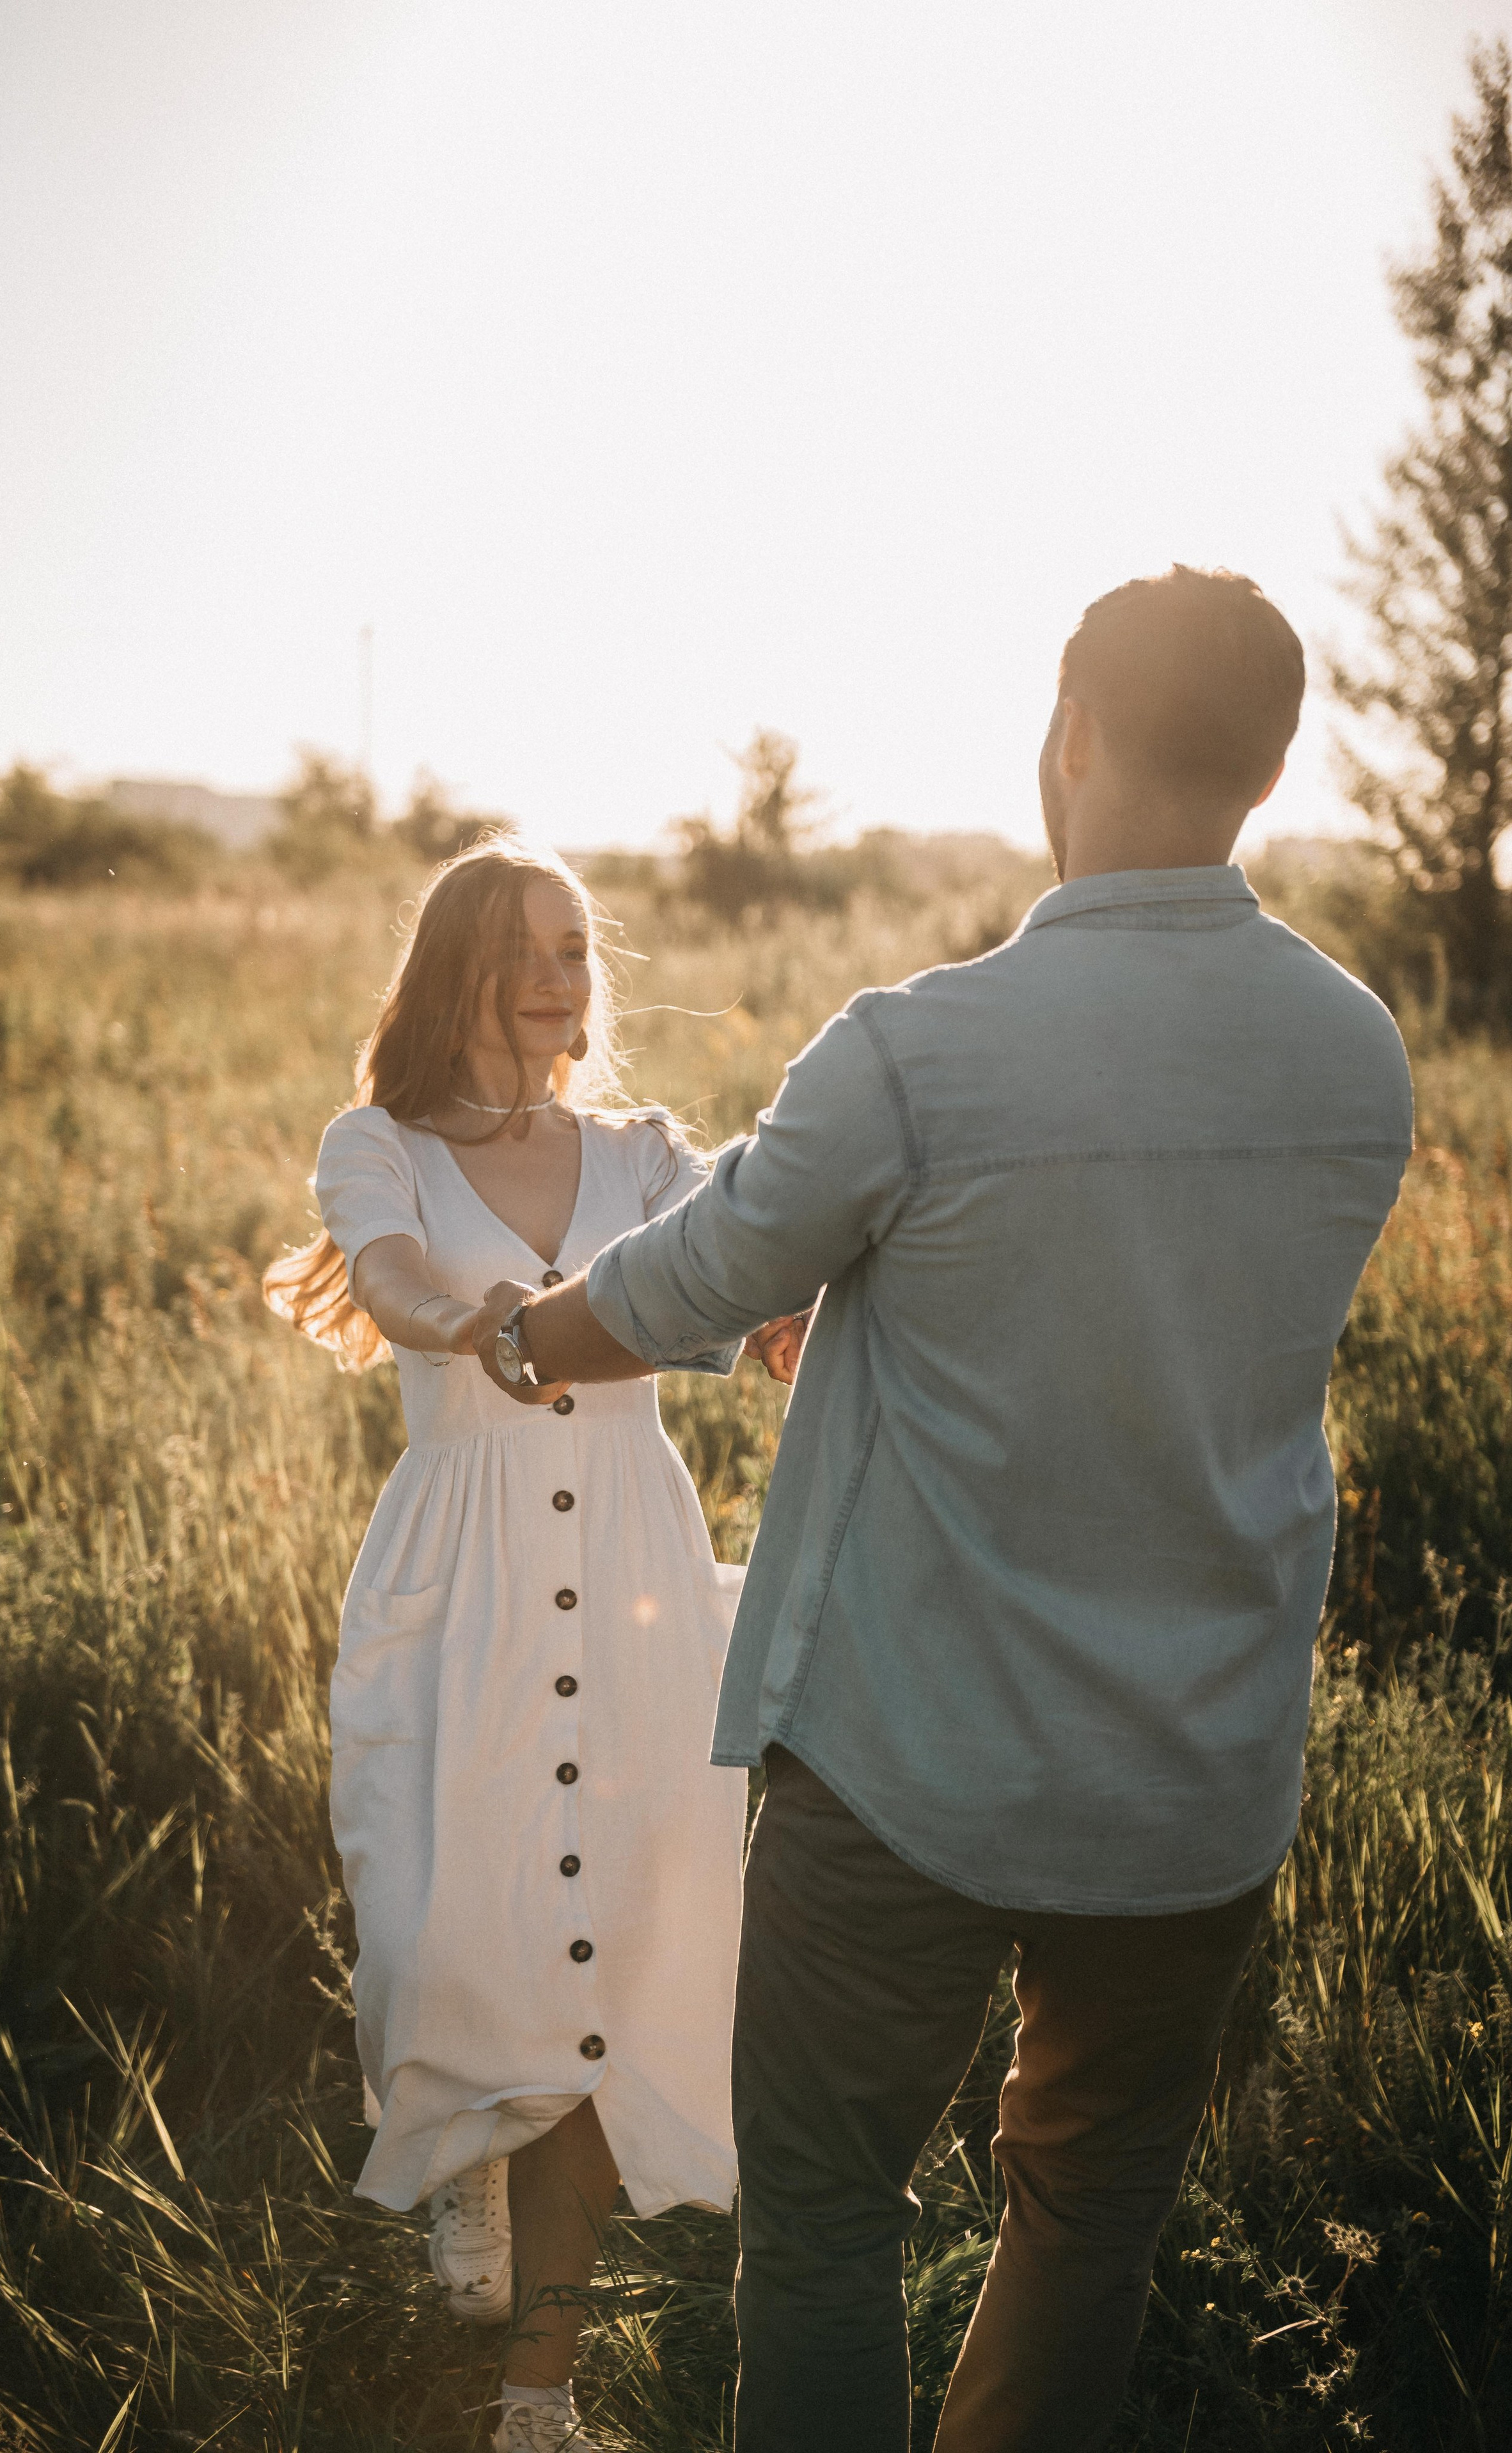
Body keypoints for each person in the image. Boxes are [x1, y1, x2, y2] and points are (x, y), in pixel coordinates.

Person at [469, 567, 1414, 2452]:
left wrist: (522, 1336)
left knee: (822, 2218)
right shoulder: (1357, 1053)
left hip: (908, 1771)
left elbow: (694, 1276)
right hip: (1194, 1785)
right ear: (1274, 764)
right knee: (1089, 2218)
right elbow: (1141, 1299)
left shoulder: (920, 1047)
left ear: (1065, 735)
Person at [264, 841, 792, 2453]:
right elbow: (403, 1283)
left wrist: (792, 1332)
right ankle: (458, 2147)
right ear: (454, 971)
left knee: (604, 1963)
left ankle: (532, 2400)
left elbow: (741, 1285)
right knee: (443, 1927)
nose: (560, 974)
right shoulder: (382, 1145)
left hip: (629, 1573)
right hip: (464, 1577)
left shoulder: (644, 1153)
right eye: (522, 947)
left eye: (576, 944)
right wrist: (494, 1326)